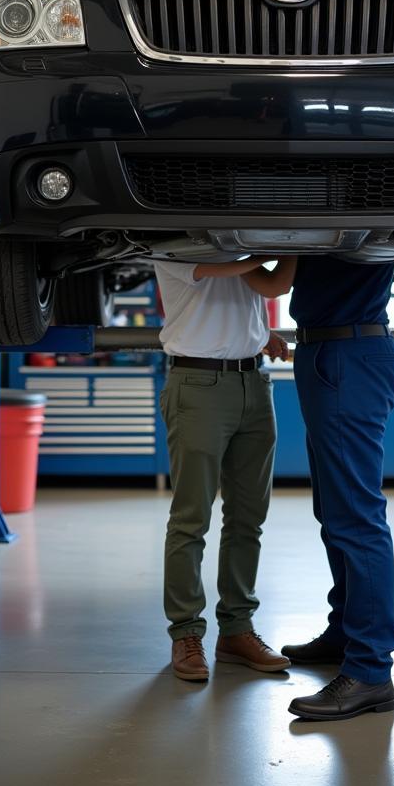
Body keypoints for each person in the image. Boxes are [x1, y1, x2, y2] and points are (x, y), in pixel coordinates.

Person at [249, 254, 394, 720]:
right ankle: (346, 633)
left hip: (350, 352)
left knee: (356, 517)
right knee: (333, 512)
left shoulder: (382, 196)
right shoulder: (332, 212)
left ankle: (371, 671)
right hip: (329, 353)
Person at [153, 255, 297, 681]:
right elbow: (258, 282)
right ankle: (186, 633)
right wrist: (286, 242)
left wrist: (257, 332)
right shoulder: (173, 239)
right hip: (197, 385)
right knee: (190, 519)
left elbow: (268, 289)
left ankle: (236, 630)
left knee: (248, 518)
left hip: (254, 381)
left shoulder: (242, 245)